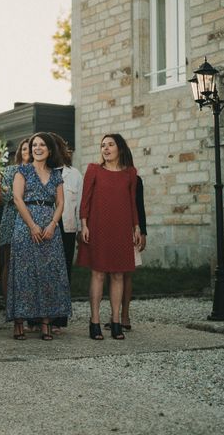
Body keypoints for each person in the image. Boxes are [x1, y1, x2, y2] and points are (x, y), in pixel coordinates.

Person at [7, 133, 71, 341]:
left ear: (50, 149)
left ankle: (46, 322)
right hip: (26, 225)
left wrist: (53, 224)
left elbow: (60, 203)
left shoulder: (56, 174)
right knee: (23, 272)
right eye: (34, 145)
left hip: (50, 227)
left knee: (49, 273)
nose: (37, 148)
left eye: (42, 144)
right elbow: (17, 199)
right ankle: (19, 322)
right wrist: (32, 225)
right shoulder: (22, 171)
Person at [77, 133, 140, 341]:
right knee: (98, 274)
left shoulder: (130, 173)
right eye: (103, 145)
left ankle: (115, 321)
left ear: (119, 148)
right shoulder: (93, 170)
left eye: (110, 144)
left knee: (119, 274)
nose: (105, 148)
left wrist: (136, 227)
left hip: (122, 227)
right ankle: (94, 321)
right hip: (97, 226)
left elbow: (133, 203)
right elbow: (85, 199)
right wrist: (84, 224)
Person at [49, 133, 83, 334]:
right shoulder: (41, 171)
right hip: (45, 226)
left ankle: (59, 319)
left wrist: (80, 229)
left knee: (63, 274)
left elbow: (79, 204)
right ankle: (39, 317)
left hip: (67, 228)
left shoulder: (74, 174)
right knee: (44, 272)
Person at [0, 138, 30, 314]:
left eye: (30, 148)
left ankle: (28, 303)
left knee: (30, 262)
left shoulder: (41, 172)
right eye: (24, 149)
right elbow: (7, 197)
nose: (28, 151)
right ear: (20, 152)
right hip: (12, 218)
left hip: (32, 219)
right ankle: (10, 303)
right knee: (9, 261)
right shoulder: (10, 170)